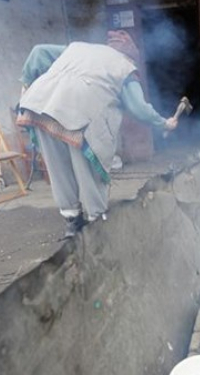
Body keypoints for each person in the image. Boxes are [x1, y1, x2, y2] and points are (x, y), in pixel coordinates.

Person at [17, 31, 178, 239]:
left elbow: (38, 52)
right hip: (77, 116)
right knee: (89, 170)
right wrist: (164, 123)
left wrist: (26, 84)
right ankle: (96, 222)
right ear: (130, 56)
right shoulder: (125, 67)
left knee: (59, 168)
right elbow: (138, 108)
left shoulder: (78, 48)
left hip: (38, 108)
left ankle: (72, 222)